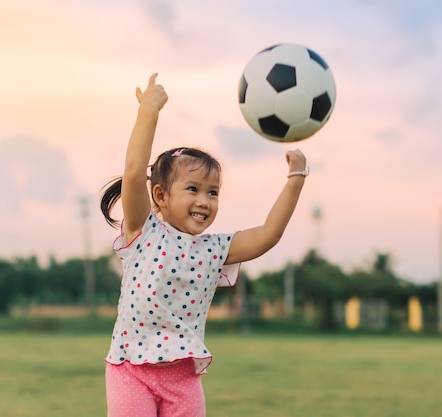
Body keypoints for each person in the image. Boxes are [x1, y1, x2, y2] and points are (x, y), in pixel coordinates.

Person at [100, 73, 309, 417]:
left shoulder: (216, 249)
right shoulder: (144, 232)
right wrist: (148, 111)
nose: (205, 200)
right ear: (161, 195)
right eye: (193, 189)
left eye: (213, 192)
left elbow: (269, 234)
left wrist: (295, 179)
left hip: (183, 379)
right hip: (131, 369)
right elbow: (136, 172)